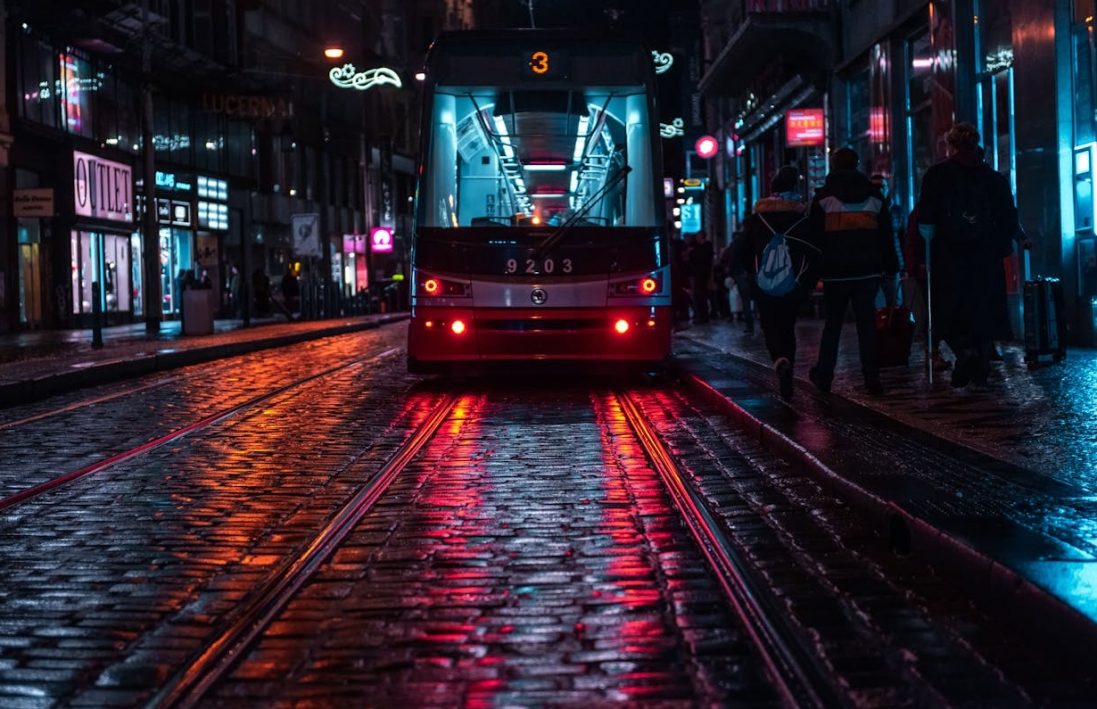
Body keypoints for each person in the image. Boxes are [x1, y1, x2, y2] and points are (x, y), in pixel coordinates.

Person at [915, 122, 1017, 387]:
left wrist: (923, 253)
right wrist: (1002, 248)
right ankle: (981, 364)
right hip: (985, 254)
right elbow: (1007, 216)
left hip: (949, 255)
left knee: (949, 308)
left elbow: (925, 218)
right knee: (982, 307)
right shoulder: (994, 178)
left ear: (952, 144)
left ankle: (964, 351)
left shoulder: (937, 175)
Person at [807, 147, 901, 396]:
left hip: (835, 274)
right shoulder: (874, 197)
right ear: (858, 164)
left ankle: (825, 376)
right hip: (867, 273)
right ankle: (872, 378)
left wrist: (813, 273)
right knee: (866, 326)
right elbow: (885, 237)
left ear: (834, 165)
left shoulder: (823, 199)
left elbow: (813, 239)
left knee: (833, 325)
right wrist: (891, 268)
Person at [731, 165, 817, 397]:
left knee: (770, 326)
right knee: (788, 327)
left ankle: (779, 361)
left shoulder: (758, 218)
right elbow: (814, 251)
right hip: (793, 284)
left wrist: (750, 274)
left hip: (763, 284)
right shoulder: (802, 216)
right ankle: (787, 361)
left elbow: (740, 249)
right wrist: (807, 282)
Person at [687, 230, 714, 324]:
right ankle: (702, 315)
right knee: (699, 296)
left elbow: (704, 258)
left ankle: (703, 316)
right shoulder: (698, 247)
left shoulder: (705, 246)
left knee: (701, 295)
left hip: (702, 273)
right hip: (698, 273)